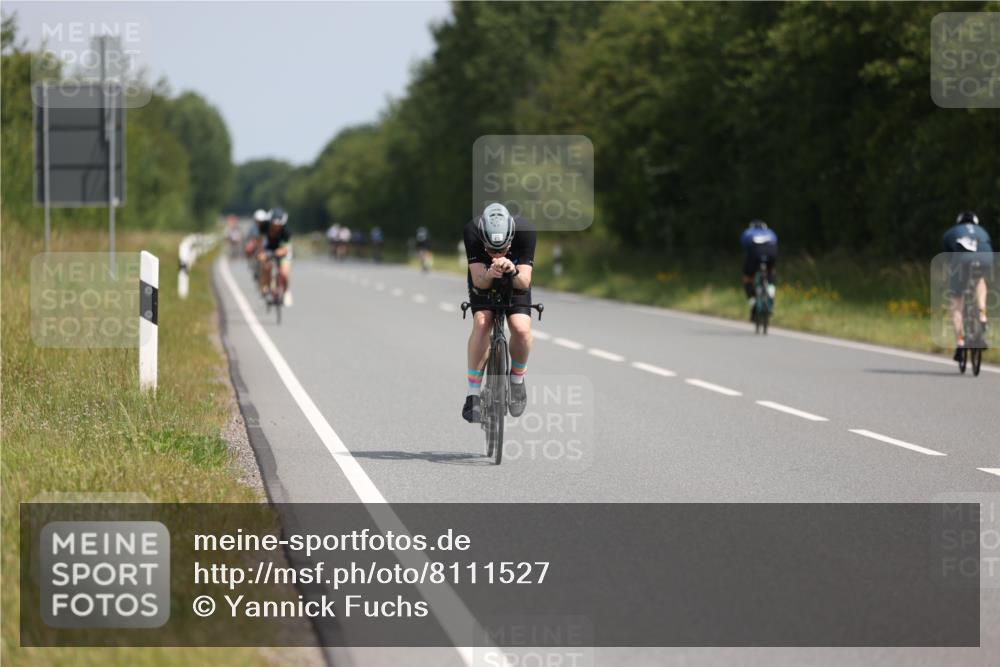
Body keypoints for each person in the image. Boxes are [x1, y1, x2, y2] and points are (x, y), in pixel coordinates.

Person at [462, 203, 536, 423]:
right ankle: (472, 395)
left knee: (521, 329)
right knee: (483, 322)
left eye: (502, 249)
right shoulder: (472, 232)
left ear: (511, 239)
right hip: (484, 279)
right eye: (491, 250)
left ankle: (517, 380)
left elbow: (524, 281)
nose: (496, 254)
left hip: (515, 280)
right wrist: (490, 273)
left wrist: (512, 270)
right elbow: (478, 281)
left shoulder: (526, 231)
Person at [941, 211, 993, 361]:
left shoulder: (951, 233)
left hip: (962, 259)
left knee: (957, 302)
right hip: (984, 256)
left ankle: (960, 341)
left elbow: (948, 259)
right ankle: (982, 313)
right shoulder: (982, 231)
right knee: (980, 280)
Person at [740, 219, 778, 320]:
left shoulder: (748, 232)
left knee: (747, 278)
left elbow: (745, 247)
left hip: (754, 253)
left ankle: (753, 302)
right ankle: (770, 291)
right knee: (771, 272)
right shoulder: (770, 232)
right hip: (771, 252)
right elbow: (775, 243)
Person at [258, 208, 293, 306]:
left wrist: (280, 252)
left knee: (285, 273)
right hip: (268, 248)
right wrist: (261, 254)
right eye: (274, 225)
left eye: (279, 225)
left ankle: (286, 291)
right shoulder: (264, 227)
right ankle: (264, 290)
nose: (276, 227)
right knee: (266, 268)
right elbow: (260, 243)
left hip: (282, 250)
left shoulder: (286, 231)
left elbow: (286, 249)